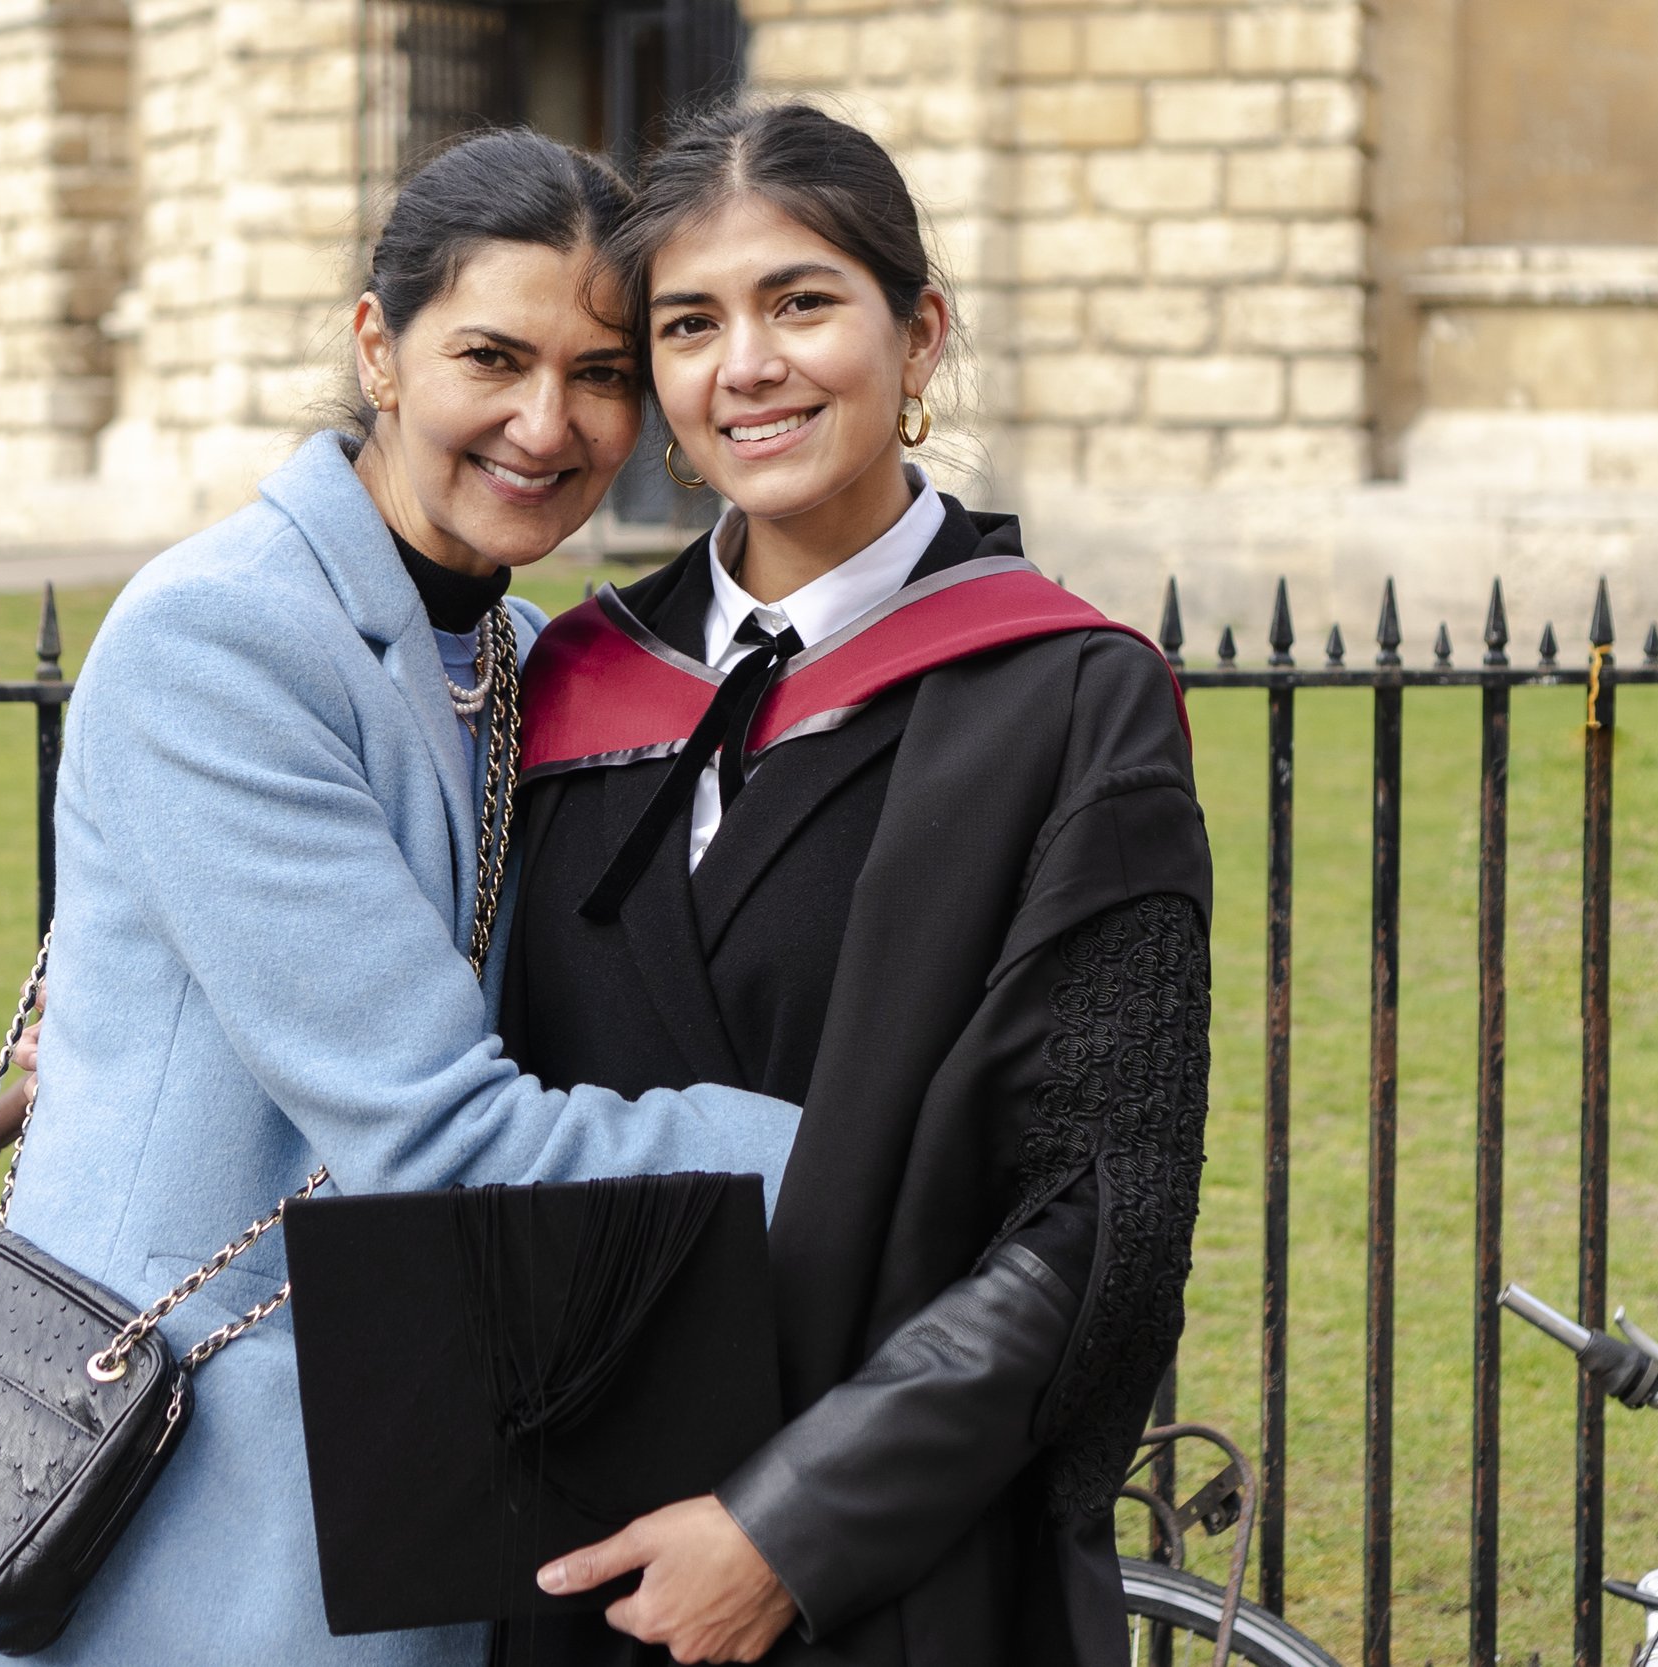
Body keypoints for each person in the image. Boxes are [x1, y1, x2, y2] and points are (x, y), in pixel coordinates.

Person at [0, 130, 805, 1667]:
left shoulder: (519, 647)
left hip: (412, 1432)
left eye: (598, 371)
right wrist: (856, 1146)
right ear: (378, 348)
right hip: (172, 1483)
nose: (548, 422)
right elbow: (442, 1127)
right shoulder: (225, 634)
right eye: (491, 355)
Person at [501, 103, 1214, 1667]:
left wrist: (793, 1526)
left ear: (921, 334)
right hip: (572, 1552)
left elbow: (1102, 1202)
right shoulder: (562, 686)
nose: (744, 365)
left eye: (801, 301)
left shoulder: (1069, 698)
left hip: (901, 1566)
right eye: (689, 324)